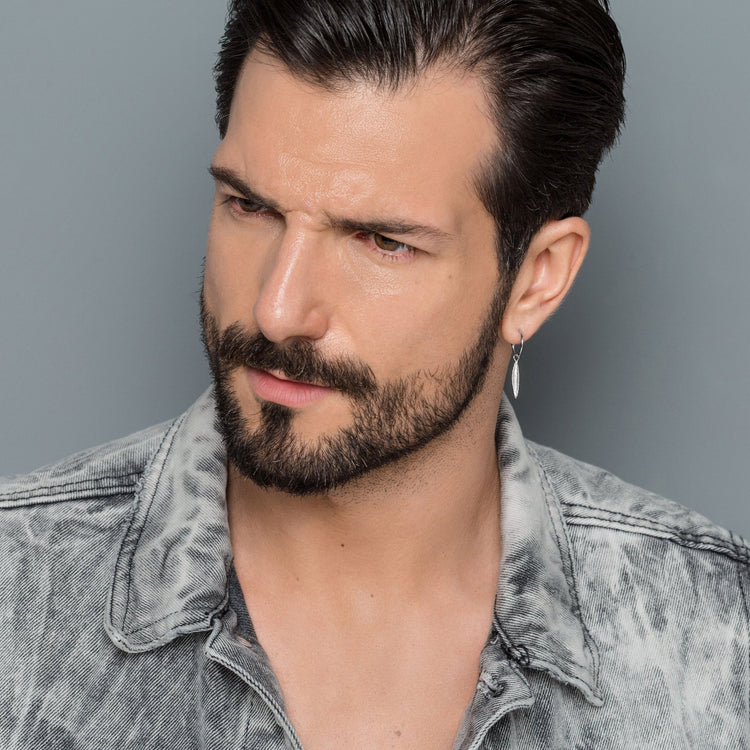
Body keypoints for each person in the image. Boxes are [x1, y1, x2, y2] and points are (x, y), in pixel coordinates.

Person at [1, 0, 747, 747]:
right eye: (250, 206)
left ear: (536, 280)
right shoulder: (17, 596)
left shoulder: (718, 638)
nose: (276, 311)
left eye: (382, 241)